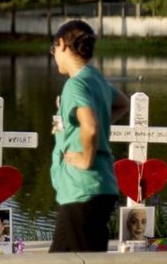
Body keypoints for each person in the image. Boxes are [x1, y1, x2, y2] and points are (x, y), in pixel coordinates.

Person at [48, 20, 130, 252]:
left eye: (53, 49)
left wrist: (86, 158)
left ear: (62, 44)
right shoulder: (95, 79)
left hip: (82, 189)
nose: (54, 55)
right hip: (100, 188)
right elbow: (122, 103)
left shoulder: (75, 85)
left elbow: (91, 126)